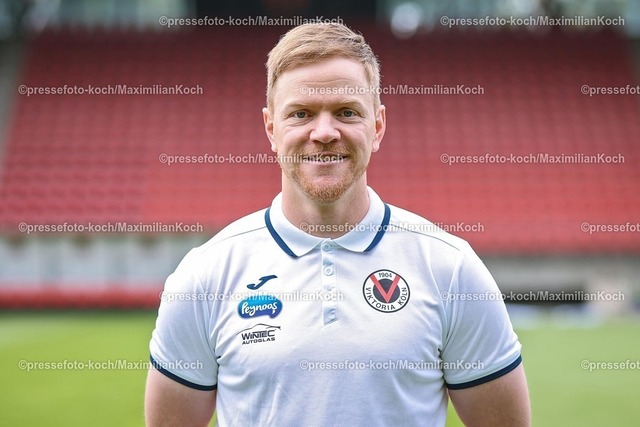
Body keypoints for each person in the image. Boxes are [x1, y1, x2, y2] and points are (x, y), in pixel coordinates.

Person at [145, 22, 531, 426]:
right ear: (271, 129)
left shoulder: (450, 269)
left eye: (346, 112)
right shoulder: (204, 276)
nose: (325, 133)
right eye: (301, 114)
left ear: (377, 126)